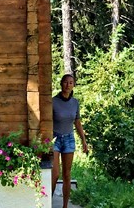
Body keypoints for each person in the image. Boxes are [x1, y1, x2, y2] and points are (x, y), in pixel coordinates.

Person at [51, 73, 88, 208]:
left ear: (73, 86)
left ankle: (65, 206)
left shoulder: (75, 103)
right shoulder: (53, 102)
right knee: (55, 174)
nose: (68, 85)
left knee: (67, 174)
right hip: (54, 139)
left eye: (71, 83)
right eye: (66, 82)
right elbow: (47, 122)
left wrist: (84, 140)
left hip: (69, 139)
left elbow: (77, 122)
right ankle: (47, 203)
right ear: (61, 84)